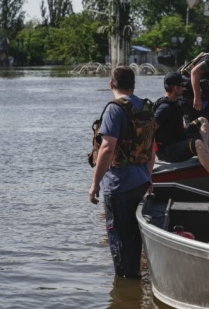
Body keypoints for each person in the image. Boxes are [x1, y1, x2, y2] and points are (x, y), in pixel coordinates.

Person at [88, 66, 156, 278]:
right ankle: (134, 282)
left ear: (111, 85)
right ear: (133, 85)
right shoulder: (144, 108)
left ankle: (125, 285)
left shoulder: (114, 109)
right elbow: (151, 148)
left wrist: (95, 184)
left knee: (118, 238)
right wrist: (149, 177)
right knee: (134, 238)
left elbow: (107, 149)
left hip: (119, 185)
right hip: (141, 181)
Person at [153, 72, 209, 190]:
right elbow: (151, 129)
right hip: (168, 151)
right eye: (182, 86)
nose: (184, 88)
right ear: (175, 88)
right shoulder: (164, 108)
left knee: (202, 120)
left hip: (178, 138)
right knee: (197, 143)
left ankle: (207, 152)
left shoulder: (173, 103)